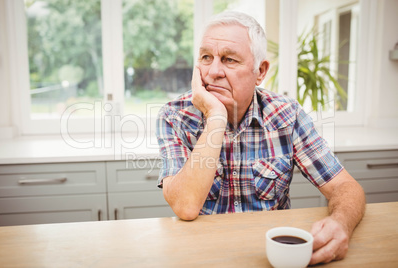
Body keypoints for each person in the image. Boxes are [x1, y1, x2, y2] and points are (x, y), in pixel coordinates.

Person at [156, 11, 365, 265]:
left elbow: (345, 187)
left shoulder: (287, 115)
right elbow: (185, 206)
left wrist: (341, 223)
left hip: (270, 257)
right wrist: (216, 117)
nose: (213, 71)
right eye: (206, 57)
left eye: (229, 60)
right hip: (202, 255)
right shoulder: (174, 116)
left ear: (260, 71)